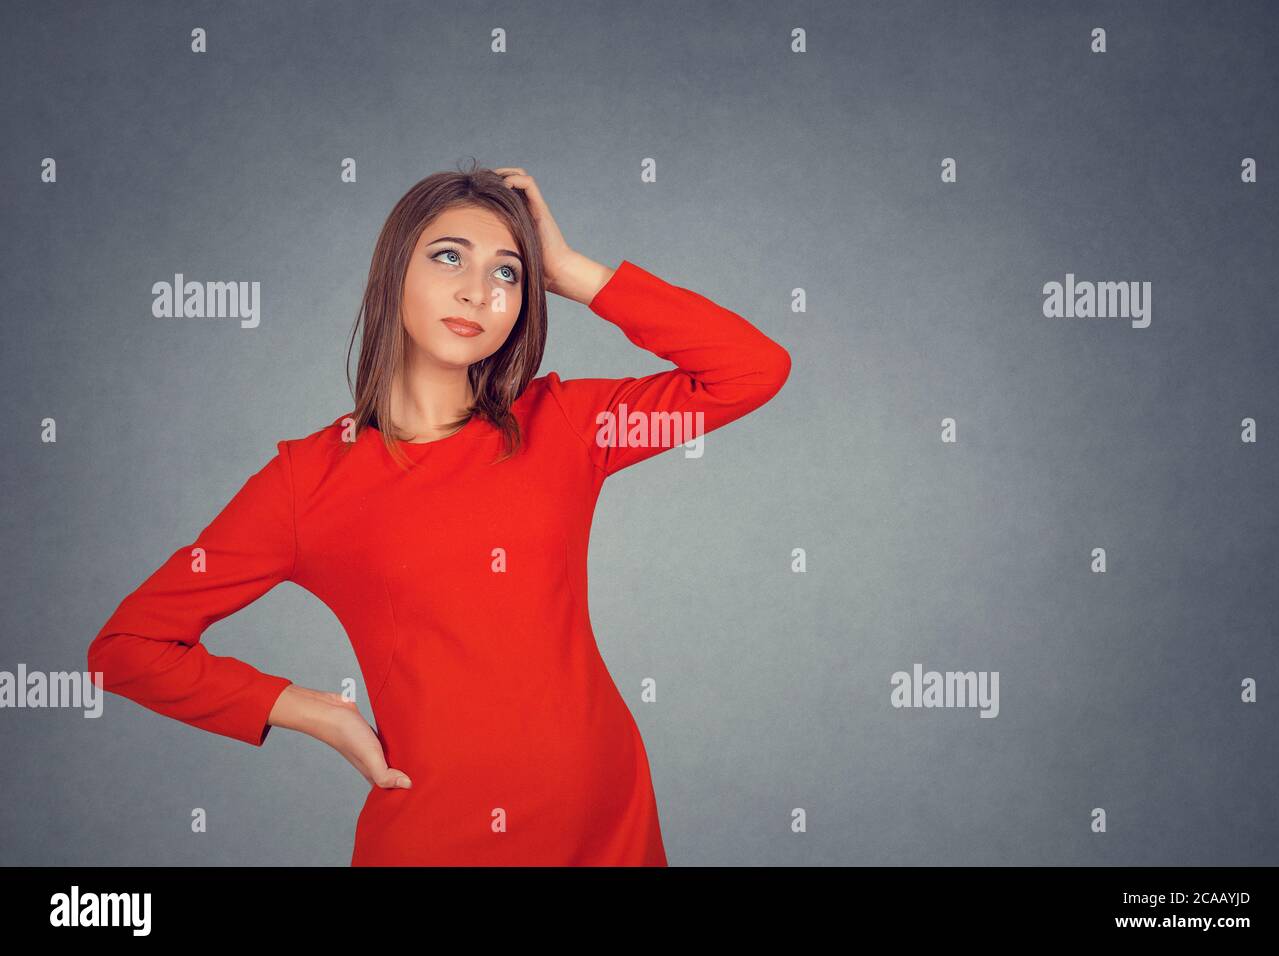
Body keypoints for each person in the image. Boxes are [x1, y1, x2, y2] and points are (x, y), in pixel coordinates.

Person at [87, 162, 792, 865]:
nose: (478, 291)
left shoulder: (566, 425)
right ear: (394, 271)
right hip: (436, 830)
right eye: (449, 256)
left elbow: (751, 369)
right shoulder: (308, 480)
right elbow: (126, 649)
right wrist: (304, 709)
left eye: (508, 273)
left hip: (603, 815)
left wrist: (571, 270)